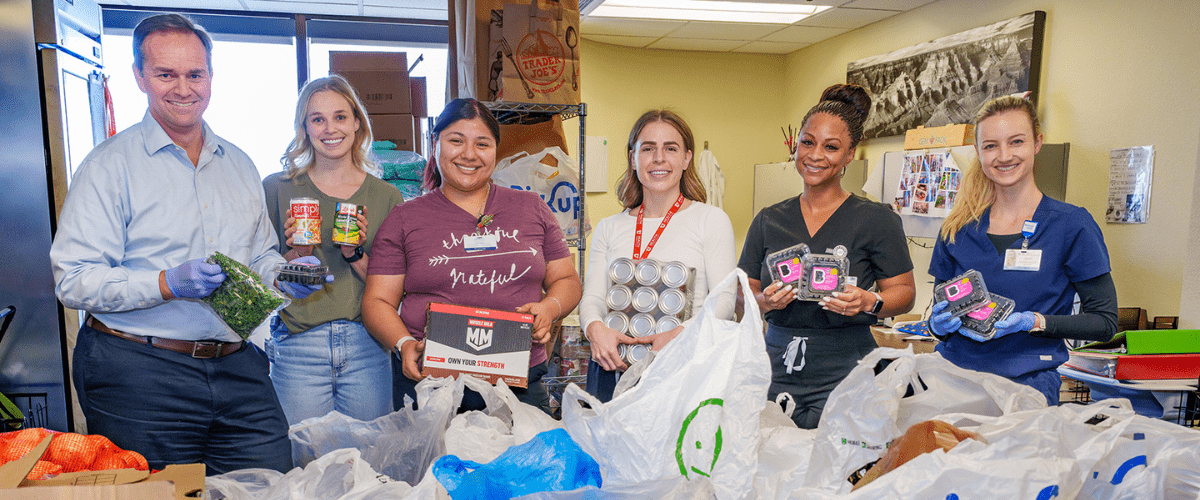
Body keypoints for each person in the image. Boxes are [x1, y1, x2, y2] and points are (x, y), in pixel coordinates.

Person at [50, 14, 327, 473]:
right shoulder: (108, 167)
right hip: (139, 368)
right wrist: (166, 283)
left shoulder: (238, 164)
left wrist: (285, 275)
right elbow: (74, 281)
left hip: (237, 364)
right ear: (140, 76)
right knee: (159, 491)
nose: (184, 88)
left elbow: (259, 254)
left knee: (271, 482)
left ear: (211, 77)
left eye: (195, 74)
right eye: (166, 75)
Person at [362, 98, 582, 413]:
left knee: (520, 463)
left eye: (482, 144)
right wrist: (403, 343)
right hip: (432, 383)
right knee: (436, 464)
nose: (469, 154)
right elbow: (377, 301)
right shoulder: (403, 219)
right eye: (456, 141)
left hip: (517, 382)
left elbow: (566, 279)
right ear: (435, 143)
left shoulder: (532, 208)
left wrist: (550, 307)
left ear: (496, 150)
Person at [738, 84, 916, 429]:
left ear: (850, 155)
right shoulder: (769, 220)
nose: (815, 155)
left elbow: (904, 293)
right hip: (775, 364)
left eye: (831, 147)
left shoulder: (876, 219)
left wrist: (869, 301)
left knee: (834, 471)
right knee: (772, 467)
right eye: (807, 142)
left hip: (846, 367)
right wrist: (764, 301)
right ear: (797, 145)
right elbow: (743, 296)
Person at [927, 95, 1117, 405]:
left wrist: (1034, 321)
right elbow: (941, 308)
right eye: (990, 146)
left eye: (1016, 142)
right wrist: (937, 325)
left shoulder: (1071, 225)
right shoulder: (957, 228)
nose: (1004, 156)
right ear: (978, 151)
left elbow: (1104, 322)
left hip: (1028, 389)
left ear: (1037, 143)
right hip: (952, 383)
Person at [262, 75, 406, 425]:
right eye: (317, 119)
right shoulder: (277, 188)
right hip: (298, 344)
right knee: (303, 463)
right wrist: (297, 256)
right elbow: (260, 276)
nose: (330, 128)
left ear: (357, 123)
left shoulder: (387, 196)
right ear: (305, 128)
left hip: (367, 344)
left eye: (340, 117)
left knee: (370, 460)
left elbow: (394, 290)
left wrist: (354, 253)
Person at [579, 109, 736, 402]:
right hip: (611, 369)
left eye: (671, 148)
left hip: (682, 368)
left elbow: (724, 301)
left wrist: (679, 336)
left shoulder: (710, 220)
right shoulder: (609, 227)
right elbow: (593, 299)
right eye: (648, 148)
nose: (659, 158)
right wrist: (595, 330)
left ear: (687, 158)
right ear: (633, 157)